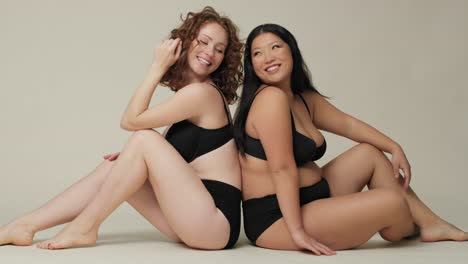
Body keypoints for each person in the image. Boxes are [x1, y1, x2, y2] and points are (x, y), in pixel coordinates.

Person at [0, 6, 243, 250]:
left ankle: (85, 227)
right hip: (190, 218)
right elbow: (174, 161)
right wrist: (131, 161)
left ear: (224, 60)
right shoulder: (189, 95)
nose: (210, 52)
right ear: (186, 41)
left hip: (215, 224)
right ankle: (24, 225)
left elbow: (130, 121)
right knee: (117, 164)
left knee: (144, 139)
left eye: (219, 49)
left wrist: (157, 67)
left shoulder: (203, 94)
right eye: (203, 41)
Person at [233, 23, 468, 256]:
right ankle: (404, 222)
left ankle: (429, 223)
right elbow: (282, 169)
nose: (268, 58)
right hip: (278, 218)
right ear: (252, 65)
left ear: (291, 51)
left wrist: (394, 147)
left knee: (370, 153)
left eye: (275, 47)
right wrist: (297, 232)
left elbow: (348, 124)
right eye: (257, 53)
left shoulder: (302, 98)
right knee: (394, 202)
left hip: (313, 195)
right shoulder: (269, 100)